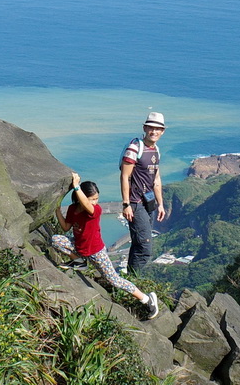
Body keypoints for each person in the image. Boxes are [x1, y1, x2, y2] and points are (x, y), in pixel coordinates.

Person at [52, 172, 160, 320]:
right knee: (56, 240)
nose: (95, 202)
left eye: (97, 199)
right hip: (79, 248)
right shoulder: (72, 210)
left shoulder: (95, 210)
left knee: (114, 280)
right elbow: (65, 227)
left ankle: (147, 300)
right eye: (92, 199)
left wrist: (76, 186)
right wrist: (57, 211)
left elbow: (87, 207)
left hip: (96, 252)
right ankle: (78, 261)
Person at [120, 111, 166, 273]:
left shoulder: (156, 150)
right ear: (145, 128)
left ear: (163, 131)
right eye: (151, 128)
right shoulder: (135, 148)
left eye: (158, 129)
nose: (154, 132)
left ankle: (129, 280)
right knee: (145, 248)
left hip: (149, 202)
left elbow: (156, 179)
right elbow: (125, 176)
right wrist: (126, 204)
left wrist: (160, 204)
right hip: (135, 203)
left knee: (138, 243)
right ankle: (133, 282)